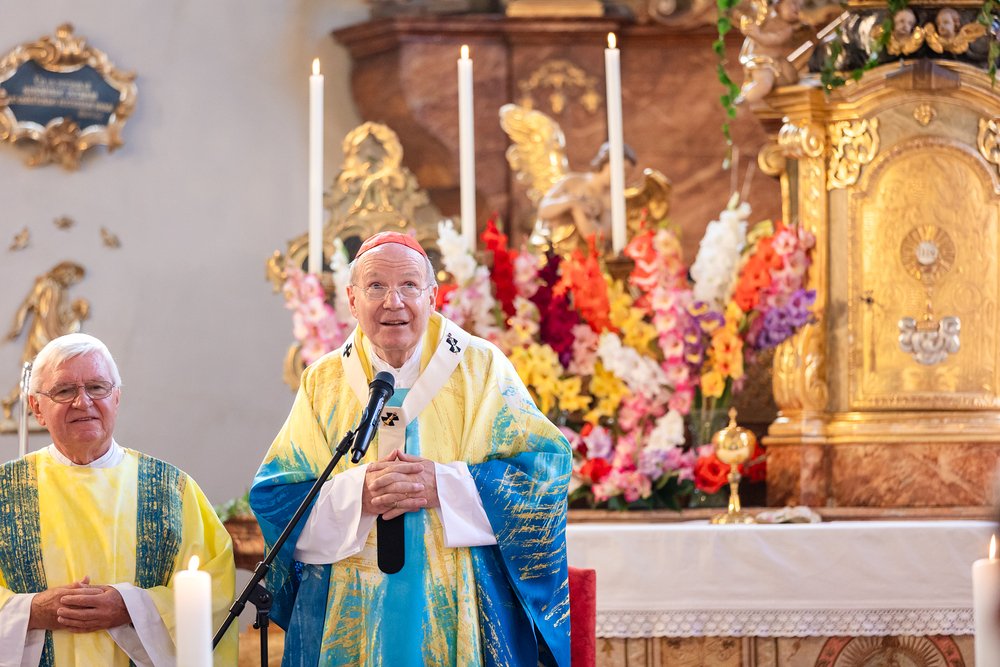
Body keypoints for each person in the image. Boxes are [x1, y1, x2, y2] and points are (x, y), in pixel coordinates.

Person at [251, 231, 572, 667]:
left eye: (409, 285)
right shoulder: (322, 382)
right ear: (352, 299)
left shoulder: (482, 368)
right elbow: (276, 498)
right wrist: (357, 495)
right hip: (351, 617)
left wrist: (446, 486)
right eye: (376, 286)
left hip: (458, 612)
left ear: (432, 296)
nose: (394, 302)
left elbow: (544, 477)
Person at [0, 333, 238, 667]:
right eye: (64, 390)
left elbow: (215, 592)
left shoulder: (172, 491)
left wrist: (131, 607)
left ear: (116, 398)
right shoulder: (5, 491)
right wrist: (31, 611)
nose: (83, 402)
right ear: (37, 408)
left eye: (97, 387)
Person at [536, 141, 636, 256]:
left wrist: (579, 211)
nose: (622, 176)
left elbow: (600, 238)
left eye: (627, 174)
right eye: (622, 170)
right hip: (555, 251)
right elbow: (543, 211)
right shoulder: (572, 181)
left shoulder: (612, 200)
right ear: (605, 162)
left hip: (584, 257)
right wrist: (571, 202)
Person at [735, 0, 804, 104]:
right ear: (778, 4)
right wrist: (748, 26)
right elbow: (749, 14)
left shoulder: (787, 29)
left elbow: (773, 39)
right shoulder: (766, 15)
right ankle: (742, 101)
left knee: (790, 80)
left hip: (774, 63)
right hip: (761, 61)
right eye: (792, 4)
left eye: (800, 7)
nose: (796, 9)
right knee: (764, 84)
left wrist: (757, 35)